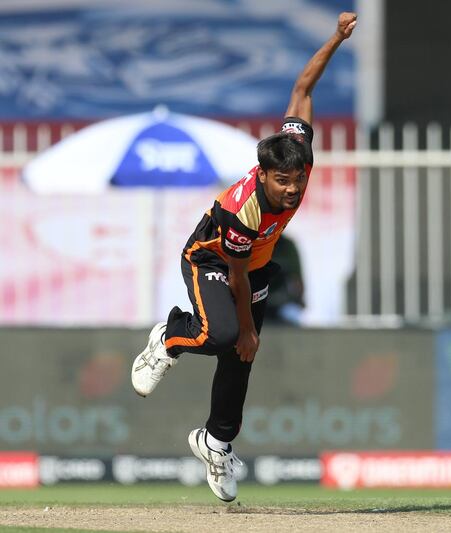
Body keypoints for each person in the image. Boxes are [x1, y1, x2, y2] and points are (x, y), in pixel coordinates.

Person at [130, 12, 357, 502]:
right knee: (227, 335)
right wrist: (251, 328)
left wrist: (336, 38)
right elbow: (234, 270)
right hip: (212, 258)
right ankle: (169, 337)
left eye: (298, 180)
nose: (293, 189)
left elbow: (302, 89)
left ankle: (216, 443)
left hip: (251, 265)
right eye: (283, 182)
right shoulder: (243, 211)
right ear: (264, 174)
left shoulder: (296, 151)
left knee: (240, 362)